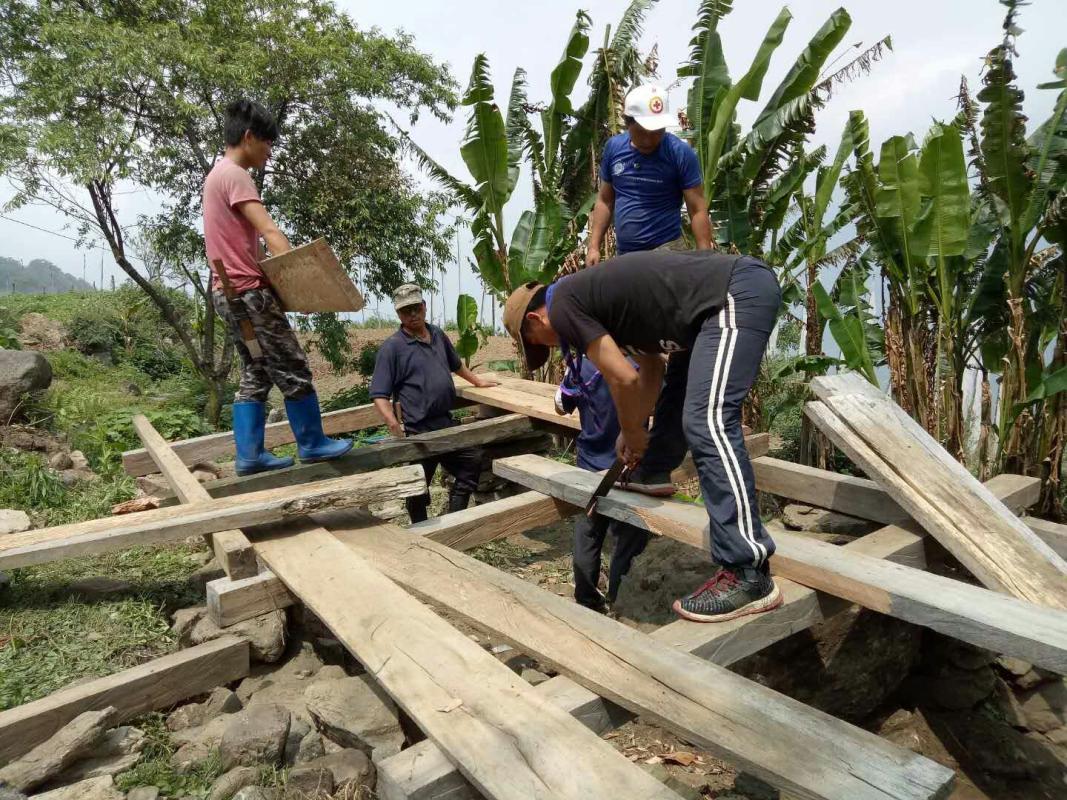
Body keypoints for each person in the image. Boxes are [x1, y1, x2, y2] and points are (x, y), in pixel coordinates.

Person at [502, 250, 782, 623]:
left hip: (731, 294)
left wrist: (633, 431)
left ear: (536, 319)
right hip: (699, 319)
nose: (549, 347)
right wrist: (630, 429)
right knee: (682, 399)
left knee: (708, 419)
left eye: (539, 341)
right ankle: (652, 473)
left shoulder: (566, 303)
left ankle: (748, 570)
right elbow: (649, 371)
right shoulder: (605, 312)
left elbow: (623, 377)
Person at [203, 99, 352, 476]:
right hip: (249, 294)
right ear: (249, 137)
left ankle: (250, 456)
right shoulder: (236, 175)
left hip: (227, 294)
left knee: (257, 368)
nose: (269, 152)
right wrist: (300, 284)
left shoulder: (215, 175)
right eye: (267, 143)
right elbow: (270, 232)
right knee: (293, 365)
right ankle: (313, 443)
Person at [370, 284, 500, 523]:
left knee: (471, 461)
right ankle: (421, 528)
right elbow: (379, 393)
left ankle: (455, 519)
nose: (412, 314)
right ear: (398, 314)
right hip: (419, 429)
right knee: (417, 483)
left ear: (424, 306)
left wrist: (478, 381)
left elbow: (456, 365)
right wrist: (392, 422)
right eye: (406, 310)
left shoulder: (438, 334)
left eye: (416, 308)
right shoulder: (393, 348)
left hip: (446, 423)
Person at [556, 357, 650, 613]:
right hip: (629, 465)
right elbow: (659, 405)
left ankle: (587, 598)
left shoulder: (580, 365)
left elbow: (561, 406)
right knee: (629, 534)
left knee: (588, 530)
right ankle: (619, 598)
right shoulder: (643, 364)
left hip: (589, 462)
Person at [585, 84, 713, 266]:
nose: (650, 139)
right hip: (625, 255)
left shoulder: (680, 153)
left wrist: (706, 258)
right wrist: (594, 247)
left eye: (657, 131)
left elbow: (697, 208)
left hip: (668, 252)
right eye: (642, 131)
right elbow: (605, 200)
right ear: (628, 122)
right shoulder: (614, 148)